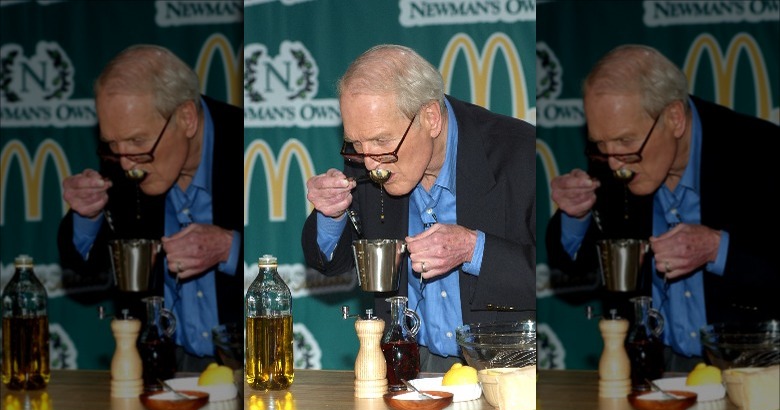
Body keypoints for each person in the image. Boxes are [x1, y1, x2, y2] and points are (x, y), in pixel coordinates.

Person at [301, 44, 536, 372]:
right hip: (410, 363)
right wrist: (331, 213)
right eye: (356, 145)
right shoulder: (371, 151)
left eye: (382, 143)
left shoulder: (519, 152)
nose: (370, 164)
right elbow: (331, 263)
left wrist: (474, 249)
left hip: (504, 366)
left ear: (430, 118)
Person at [546, 44, 780, 371]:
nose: (615, 165)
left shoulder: (761, 152)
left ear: (674, 118)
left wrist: (717, 249)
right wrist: (576, 214)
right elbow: (573, 265)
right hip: (655, 368)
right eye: (601, 144)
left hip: (753, 367)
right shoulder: (614, 154)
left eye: (626, 143)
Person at [57, 45, 243, 372]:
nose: (128, 165)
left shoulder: (248, 140)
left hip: (248, 365)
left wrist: (231, 248)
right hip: (163, 369)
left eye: (138, 143)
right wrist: (88, 216)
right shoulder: (123, 159)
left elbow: (292, 255)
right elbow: (87, 276)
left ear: (186, 117)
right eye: (113, 145)